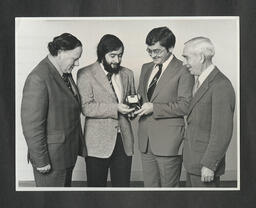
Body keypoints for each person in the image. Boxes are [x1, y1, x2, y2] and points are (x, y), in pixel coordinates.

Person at [21, 33, 85, 187]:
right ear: (61, 52)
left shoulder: (64, 72)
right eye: (75, 58)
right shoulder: (38, 78)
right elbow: (32, 126)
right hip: (51, 160)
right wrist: (41, 161)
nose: (76, 64)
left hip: (66, 155)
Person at [134, 26, 194, 187]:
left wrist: (154, 108)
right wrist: (133, 106)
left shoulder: (184, 69)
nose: (153, 55)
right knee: (150, 189)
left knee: (169, 192)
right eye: (149, 50)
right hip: (145, 140)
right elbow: (142, 96)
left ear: (171, 48)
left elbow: (186, 105)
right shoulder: (146, 68)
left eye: (158, 51)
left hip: (169, 142)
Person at [77, 34, 135, 187]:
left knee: (122, 190)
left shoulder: (127, 74)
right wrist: (116, 108)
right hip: (97, 143)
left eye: (120, 55)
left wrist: (134, 110)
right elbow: (86, 107)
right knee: (96, 191)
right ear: (102, 54)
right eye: (113, 56)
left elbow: (130, 101)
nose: (117, 60)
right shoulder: (85, 74)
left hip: (124, 141)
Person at [182, 37, 236, 187]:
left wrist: (209, 165)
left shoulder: (221, 85)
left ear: (200, 57)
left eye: (186, 57)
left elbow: (222, 131)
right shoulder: (199, 80)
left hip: (204, 166)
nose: (184, 63)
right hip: (193, 163)